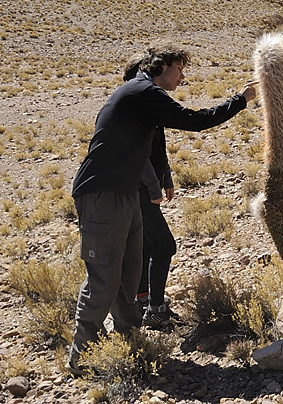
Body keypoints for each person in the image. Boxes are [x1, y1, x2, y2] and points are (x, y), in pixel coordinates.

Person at [69, 42, 257, 373]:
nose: (182, 75)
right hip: (102, 195)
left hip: (125, 194)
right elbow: (195, 121)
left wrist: (161, 178)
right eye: (179, 68)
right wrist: (240, 101)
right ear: (162, 66)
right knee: (103, 277)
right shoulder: (143, 92)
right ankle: (81, 358)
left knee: (128, 274)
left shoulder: (141, 95)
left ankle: (130, 343)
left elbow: (155, 145)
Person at [121, 54, 179, 328]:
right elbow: (139, 155)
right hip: (138, 188)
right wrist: (154, 186)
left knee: (144, 244)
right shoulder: (137, 107)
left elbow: (158, 147)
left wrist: (166, 177)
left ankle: (142, 298)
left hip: (142, 187)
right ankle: (155, 308)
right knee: (165, 245)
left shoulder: (145, 106)